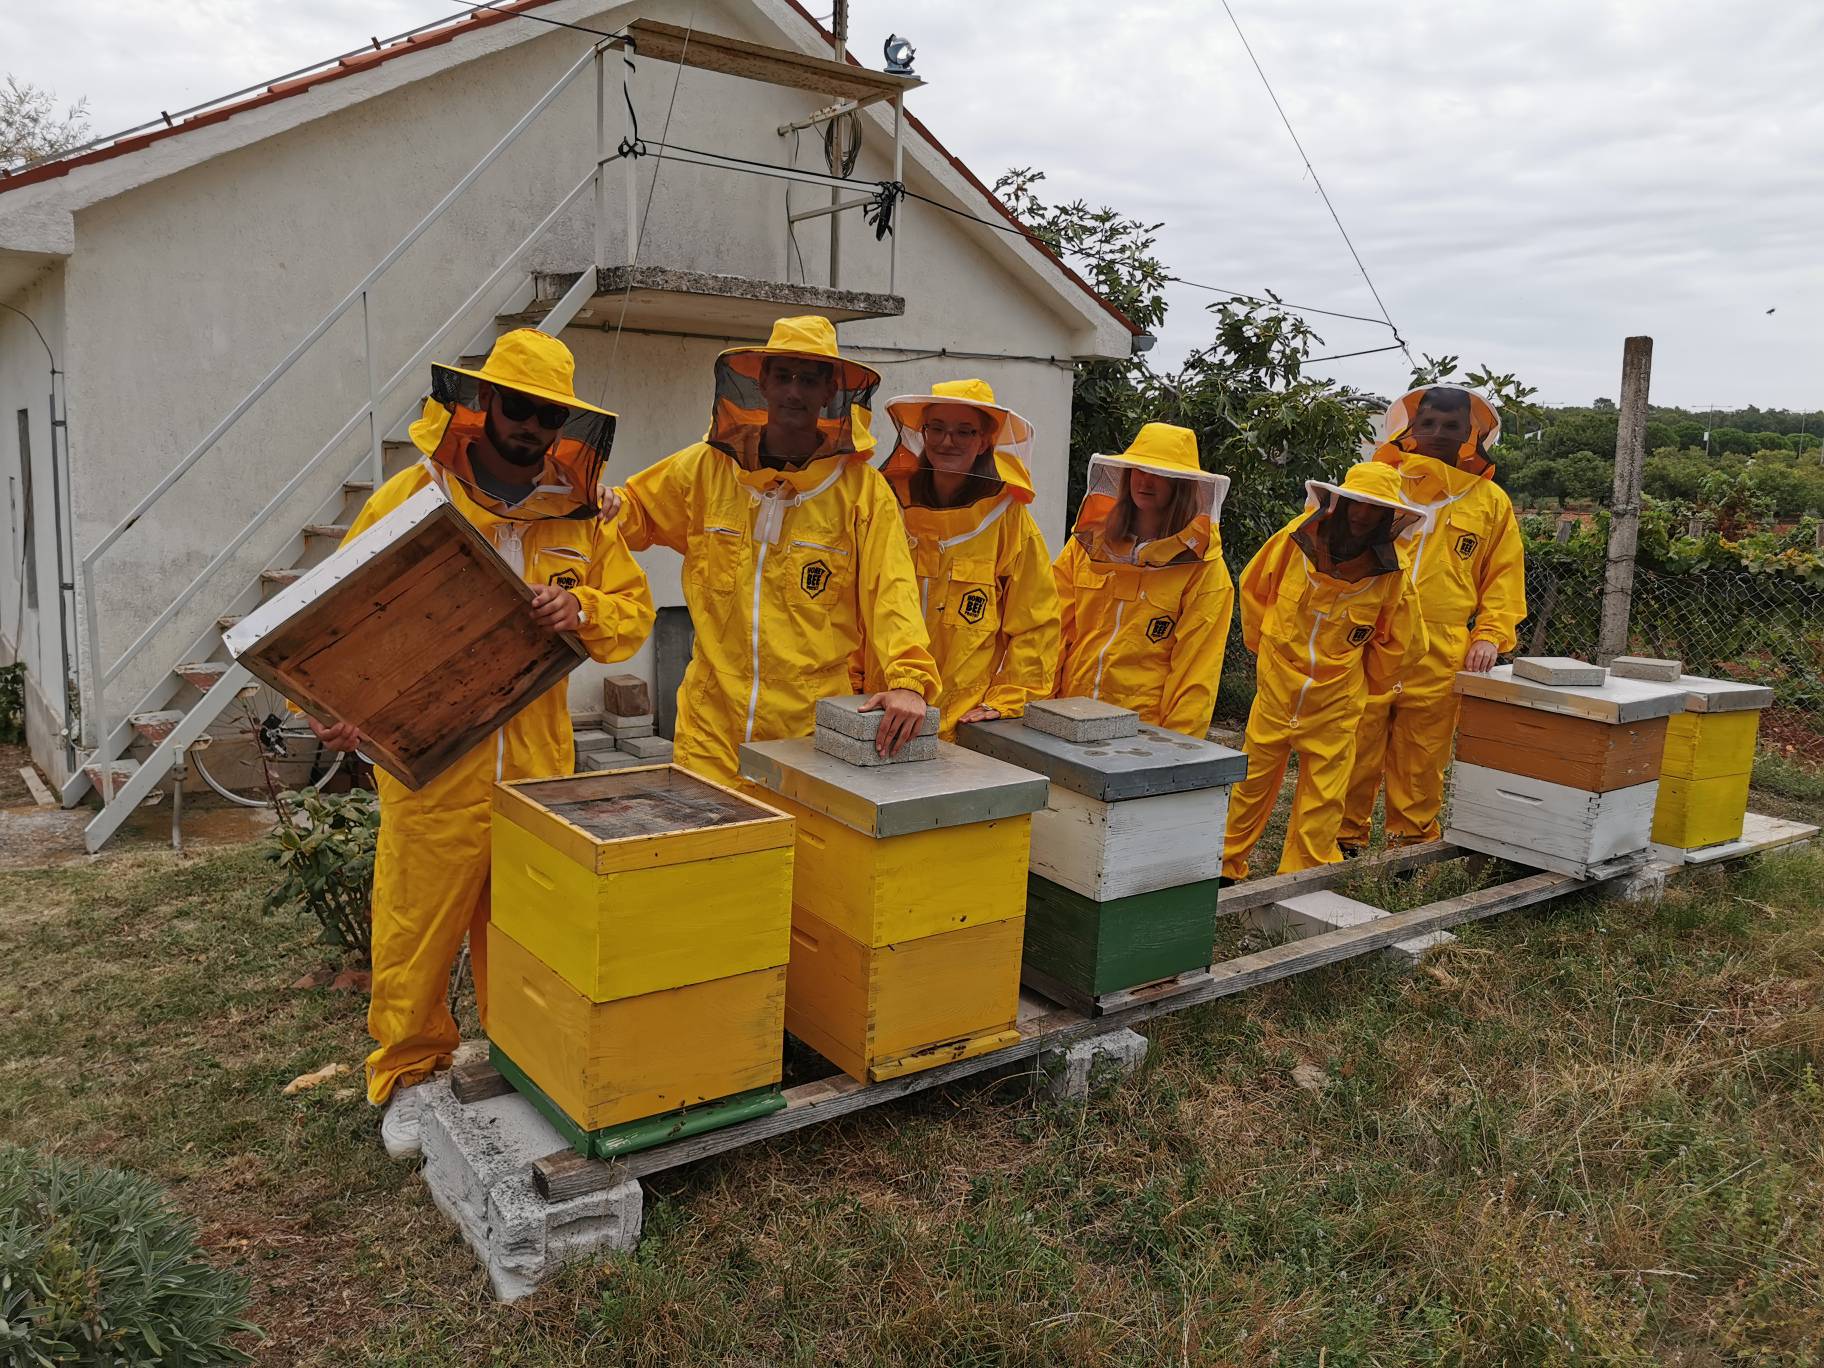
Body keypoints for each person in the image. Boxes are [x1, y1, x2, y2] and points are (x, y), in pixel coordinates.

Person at [306, 328, 655, 1157]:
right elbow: (343, 611)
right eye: (518, 407)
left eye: (546, 415)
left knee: (529, 933)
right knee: (415, 927)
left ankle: (525, 1065)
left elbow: (633, 611)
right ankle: (409, 1075)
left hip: (537, 766)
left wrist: (585, 611)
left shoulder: (580, 516)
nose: (529, 427)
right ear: (484, 403)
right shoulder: (409, 497)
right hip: (434, 766)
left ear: (564, 426)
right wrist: (345, 699)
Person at [598, 316, 938, 782]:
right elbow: (637, 511)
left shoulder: (861, 492)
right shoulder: (708, 467)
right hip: (710, 724)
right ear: (762, 382)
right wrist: (606, 502)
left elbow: (892, 591)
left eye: (809, 378)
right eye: (783, 376)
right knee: (709, 849)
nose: (794, 391)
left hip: (808, 729)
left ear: (830, 391)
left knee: (796, 854)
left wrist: (909, 682)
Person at [1337, 385, 1527, 853]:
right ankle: (1342, 836)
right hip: (1370, 635)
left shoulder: (1490, 501)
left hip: (1443, 645)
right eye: (1429, 423)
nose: (1438, 434)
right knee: (1356, 738)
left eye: (1451, 426)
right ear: (1409, 427)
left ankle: (1412, 844)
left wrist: (1491, 634)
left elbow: (1503, 575)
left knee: (1423, 750)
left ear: (1471, 433)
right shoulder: (1377, 481)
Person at [1221, 466, 1428, 882]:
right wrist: (1269, 652)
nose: (1362, 515)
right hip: (1279, 685)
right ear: (1341, 501)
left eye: (1375, 509)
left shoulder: (1393, 574)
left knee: (1325, 792)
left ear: (1389, 518)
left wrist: (1361, 683)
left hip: (1337, 697)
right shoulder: (1293, 541)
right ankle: (1224, 864)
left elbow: (1402, 641)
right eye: (1357, 504)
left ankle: (1303, 875)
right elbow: (1254, 587)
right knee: (1251, 779)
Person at [862, 379, 1060, 737]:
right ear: (922, 434)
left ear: (984, 440)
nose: (947, 441)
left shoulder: (1008, 519)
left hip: (961, 721)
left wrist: (1006, 700)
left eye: (963, 432)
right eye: (936, 428)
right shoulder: (887, 502)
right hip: (882, 704)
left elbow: (1036, 621)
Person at [1051, 422, 1234, 736]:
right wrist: (1042, 707)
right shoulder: (1088, 545)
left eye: (1161, 474)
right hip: (1070, 713)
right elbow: (1052, 629)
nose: (1146, 481)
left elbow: (1196, 672)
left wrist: (1175, 750)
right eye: (1139, 469)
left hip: (1143, 732)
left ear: (1183, 485)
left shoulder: (1203, 569)